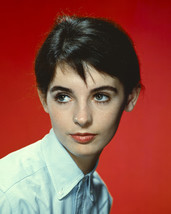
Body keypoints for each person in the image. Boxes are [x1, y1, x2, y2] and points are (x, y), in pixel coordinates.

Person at [0, 15, 141, 213]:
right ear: (43, 98)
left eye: (100, 96)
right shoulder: (10, 194)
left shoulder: (99, 195)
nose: (82, 118)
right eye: (64, 97)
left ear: (130, 97)